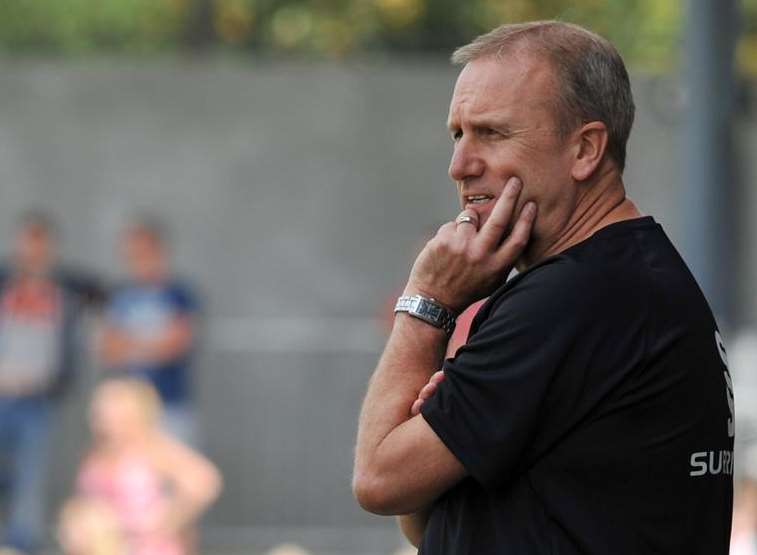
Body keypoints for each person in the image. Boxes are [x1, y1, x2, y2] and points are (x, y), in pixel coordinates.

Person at [353, 21, 734, 554]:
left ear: (585, 150)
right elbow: (428, 519)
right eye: (457, 134)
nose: (459, 166)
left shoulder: (578, 298)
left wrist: (427, 303)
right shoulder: (626, 281)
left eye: (491, 133)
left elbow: (378, 480)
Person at [0, 211, 104, 553]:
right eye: (28, 241)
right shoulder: (4, 280)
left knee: (31, 479)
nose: (33, 249)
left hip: (38, 399)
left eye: (40, 242)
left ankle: (23, 545)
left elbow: (101, 292)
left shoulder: (65, 286)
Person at [65, 378, 222, 555]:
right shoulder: (95, 451)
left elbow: (204, 481)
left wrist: (165, 521)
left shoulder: (152, 447)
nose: (102, 417)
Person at [99, 217, 199, 445]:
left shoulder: (180, 294)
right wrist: (154, 343)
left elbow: (176, 346)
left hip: (170, 405)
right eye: (133, 254)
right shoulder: (119, 296)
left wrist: (130, 344)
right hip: (126, 411)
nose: (138, 260)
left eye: (145, 252)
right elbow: (108, 350)